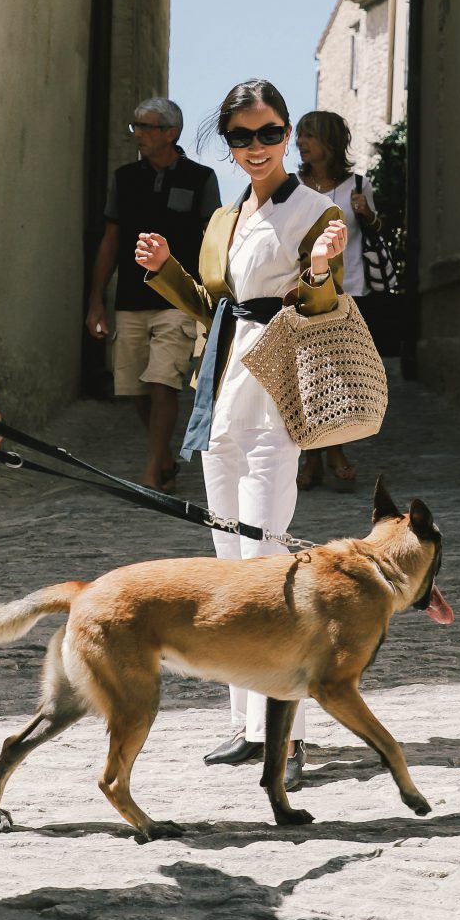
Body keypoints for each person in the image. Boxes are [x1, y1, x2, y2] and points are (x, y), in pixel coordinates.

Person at [134, 78, 347, 790]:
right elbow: (211, 307)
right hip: (221, 397)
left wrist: (318, 270)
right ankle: (246, 726)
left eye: (268, 133)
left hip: (275, 396)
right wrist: (164, 271)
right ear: (225, 144)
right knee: (228, 572)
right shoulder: (223, 219)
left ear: (287, 135)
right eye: (241, 136)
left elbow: (322, 304)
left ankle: (286, 738)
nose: (256, 147)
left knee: (269, 569)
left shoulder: (315, 211)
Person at [85, 98, 221, 490]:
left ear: (170, 133)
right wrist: (97, 299)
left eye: (144, 127)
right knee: (136, 389)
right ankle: (162, 455)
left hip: (178, 300)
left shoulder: (200, 178)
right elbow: (111, 241)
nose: (137, 134)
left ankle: (151, 468)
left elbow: (210, 240)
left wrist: (209, 301)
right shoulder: (124, 178)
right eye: (135, 126)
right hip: (129, 298)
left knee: (164, 382)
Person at [294, 109, 378, 492]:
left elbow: (377, 234)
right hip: (304, 289)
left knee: (341, 376)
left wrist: (366, 213)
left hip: (351, 289)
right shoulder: (292, 185)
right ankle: (318, 454)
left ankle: (329, 452)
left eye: (308, 135)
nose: (300, 143)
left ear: (329, 140)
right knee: (310, 377)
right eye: (299, 136)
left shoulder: (359, 184)